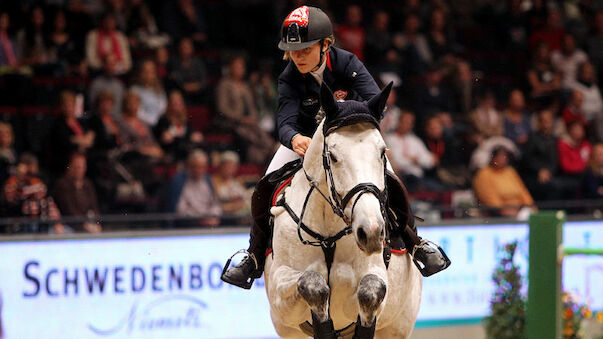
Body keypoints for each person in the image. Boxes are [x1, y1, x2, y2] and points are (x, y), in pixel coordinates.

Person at [222, 6, 449, 290]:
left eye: (305, 49)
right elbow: (285, 120)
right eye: (293, 50)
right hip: (306, 143)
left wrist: (344, 119)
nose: (298, 56)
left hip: (350, 139)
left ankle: (416, 244)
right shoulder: (289, 76)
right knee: (265, 185)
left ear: (325, 45)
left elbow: (375, 102)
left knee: (390, 178)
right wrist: (294, 139)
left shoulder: (347, 63)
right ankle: (253, 256)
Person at [215, 56, 275, 165]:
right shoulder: (224, 84)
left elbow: (252, 106)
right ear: (230, 68)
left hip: (249, 122)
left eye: (241, 67)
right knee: (247, 133)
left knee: (259, 132)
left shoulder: (245, 86)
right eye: (237, 67)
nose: (240, 69)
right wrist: (241, 119)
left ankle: (270, 149)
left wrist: (252, 117)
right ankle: (268, 149)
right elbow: (222, 108)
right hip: (232, 122)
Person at [473, 147, 535, 217]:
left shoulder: (510, 171)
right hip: (498, 212)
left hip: (519, 209)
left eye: (504, 157)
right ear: (493, 158)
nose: (502, 159)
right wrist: (503, 210)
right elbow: (489, 198)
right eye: (499, 156)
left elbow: (523, 192)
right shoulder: (484, 174)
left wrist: (530, 205)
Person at [166, 149, 221, 226]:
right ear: (188, 166)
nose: (198, 170)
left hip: (209, 223)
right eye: (194, 167)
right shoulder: (178, 181)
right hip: (187, 225)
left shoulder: (208, 180)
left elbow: (215, 204)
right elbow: (180, 210)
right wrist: (200, 219)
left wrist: (213, 216)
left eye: (201, 167)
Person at [385, 111, 436, 191]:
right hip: (401, 178)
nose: (407, 125)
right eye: (405, 122)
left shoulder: (415, 140)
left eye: (410, 123)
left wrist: (417, 159)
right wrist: (413, 160)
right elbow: (397, 162)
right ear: (399, 122)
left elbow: (430, 161)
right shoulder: (390, 139)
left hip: (418, 178)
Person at [52, 152, 101, 233]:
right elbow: (69, 210)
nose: (80, 170)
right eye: (77, 167)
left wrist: (96, 223)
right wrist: (84, 225)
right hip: (70, 225)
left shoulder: (88, 184)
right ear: (70, 167)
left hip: (88, 224)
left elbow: (94, 207)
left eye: (82, 167)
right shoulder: (62, 185)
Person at [211, 151, 250, 217]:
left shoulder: (238, 182)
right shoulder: (213, 181)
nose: (229, 169)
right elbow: (216, 202)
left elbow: (245, 200)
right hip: (222, 216)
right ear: (221, 166)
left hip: (239, 216)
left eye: (232, 166)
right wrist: (234, 205)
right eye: (227, 166)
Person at [131, 59, 167, 127]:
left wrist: (158, 120)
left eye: (151, 71)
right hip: (144, 124)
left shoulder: (159, 89)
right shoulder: (134, 90)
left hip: (159, 123)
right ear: (141, 73)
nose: (149, 74)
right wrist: (153, 121)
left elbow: (163, 107)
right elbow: (137, 112)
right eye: (146, 71)